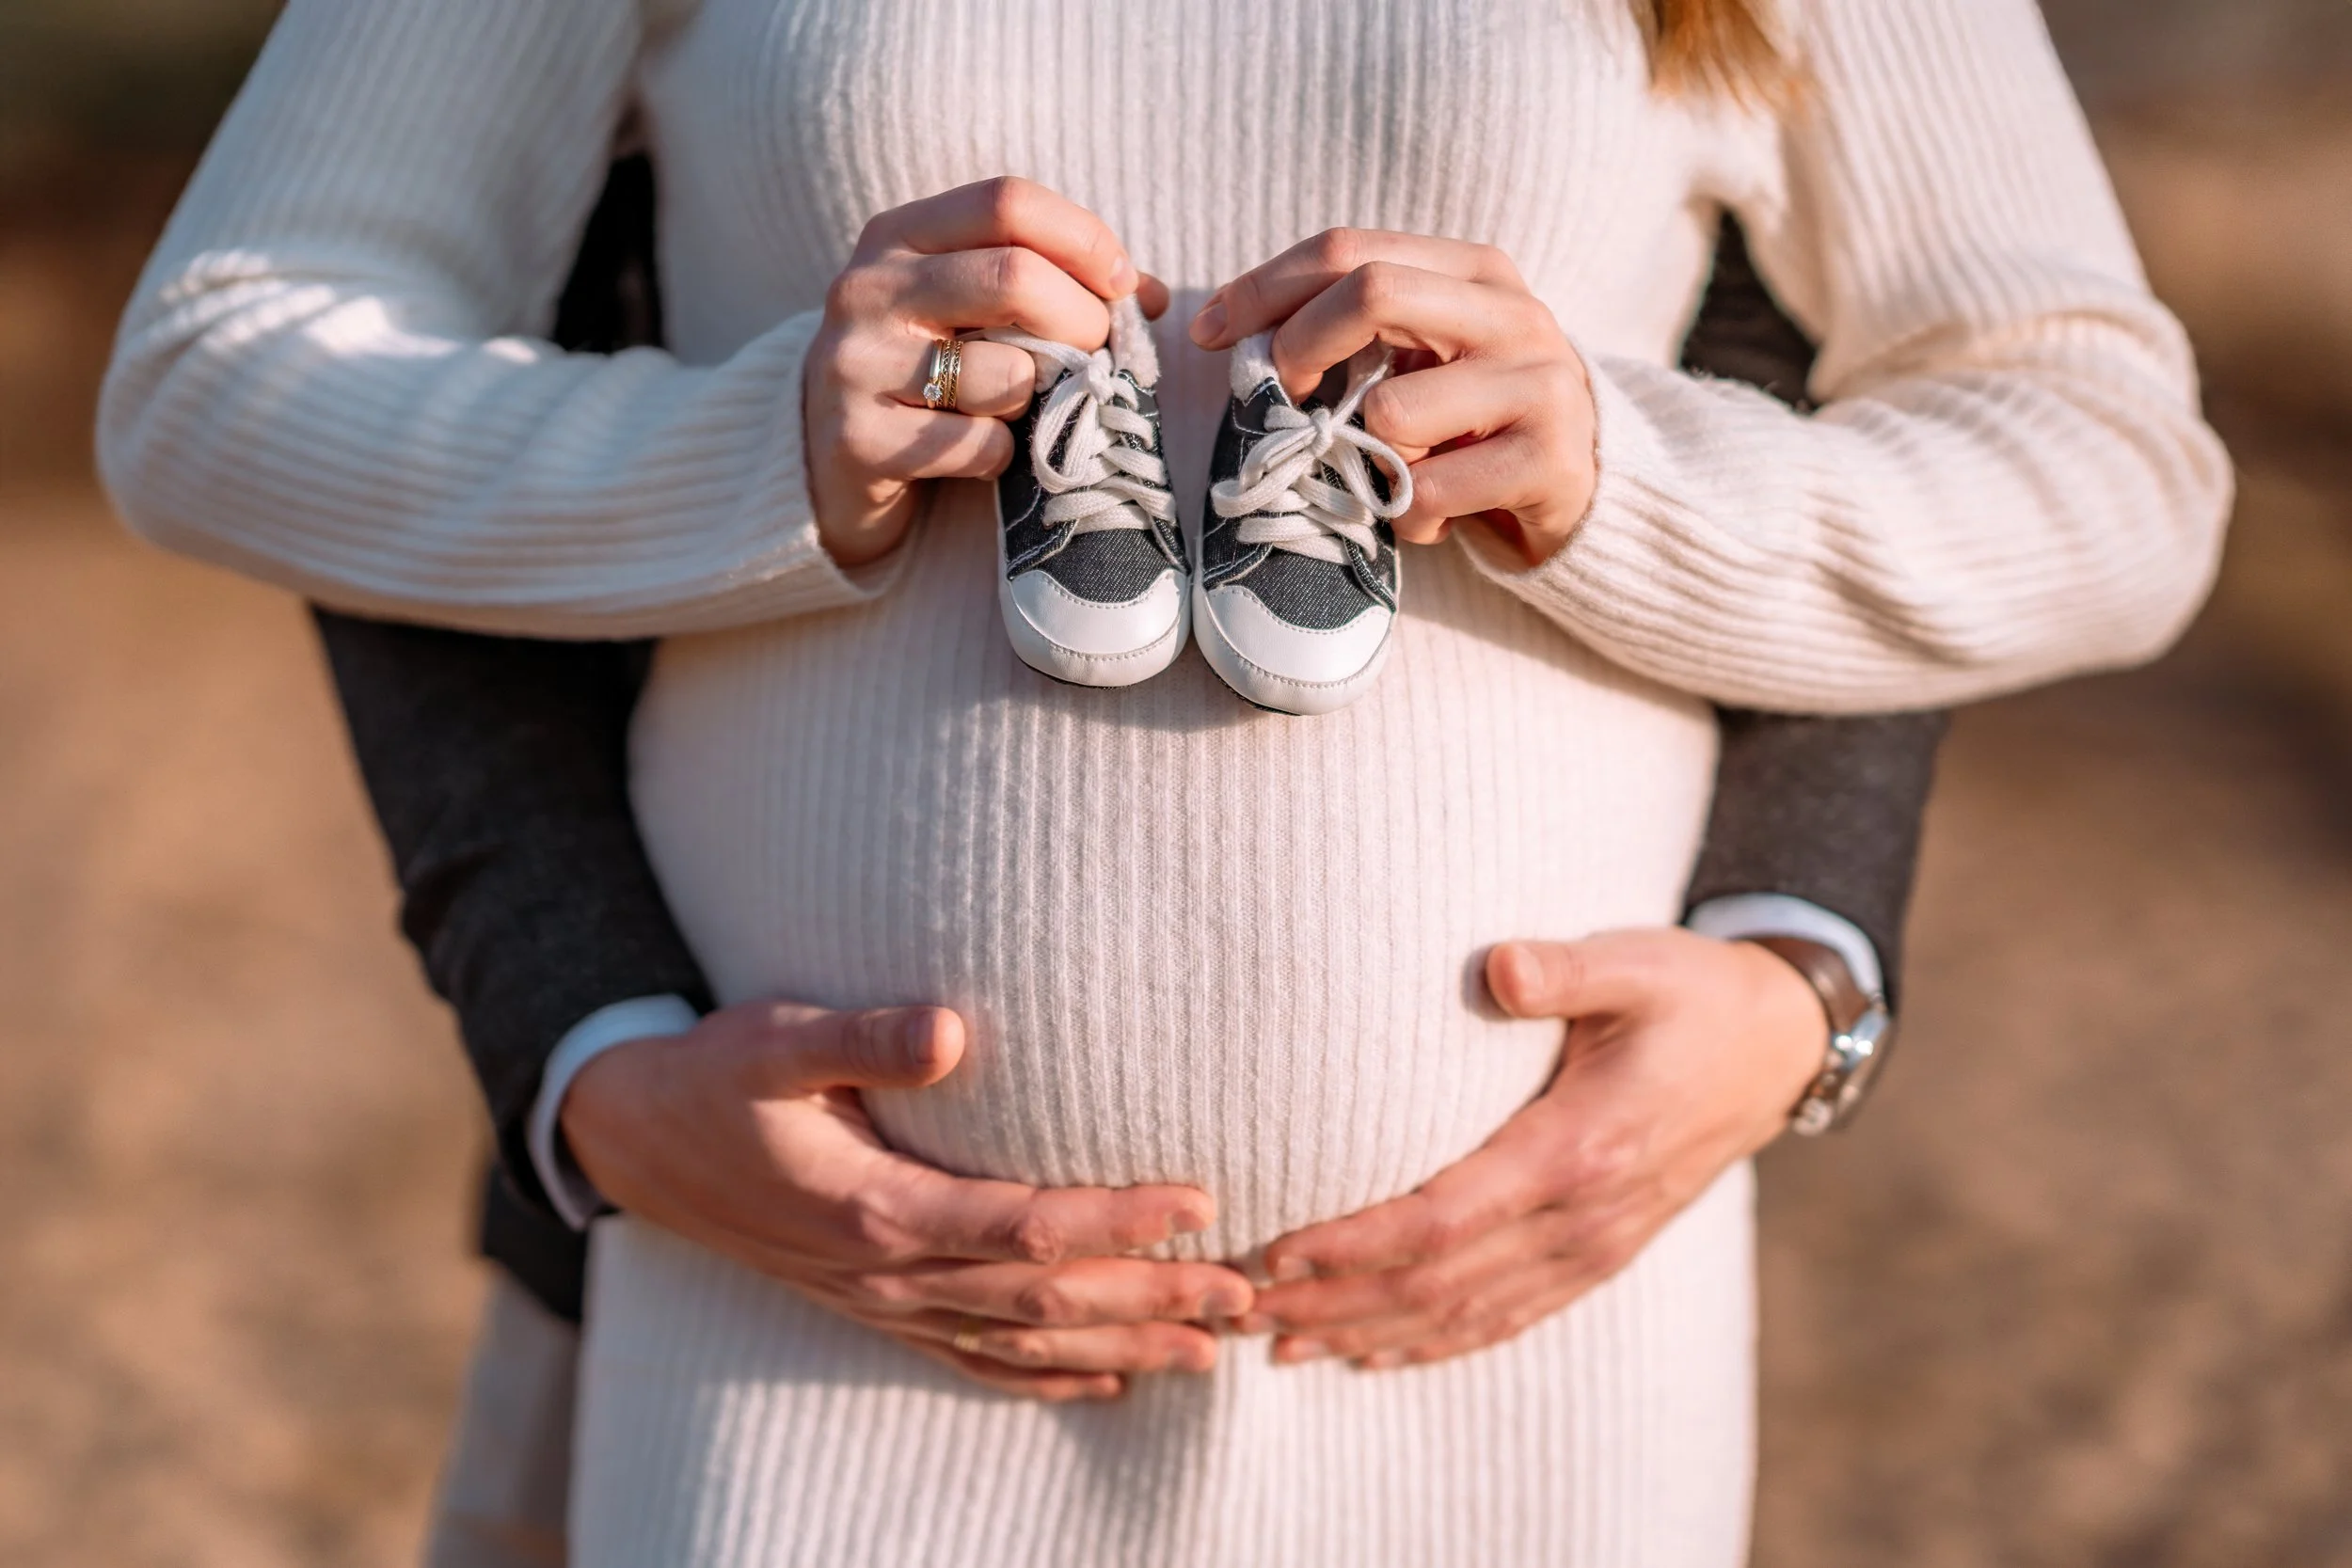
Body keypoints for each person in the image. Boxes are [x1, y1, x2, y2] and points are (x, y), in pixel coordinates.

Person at [99, 1, 2232, 1562]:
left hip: (1520, 1362)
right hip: (815, 1347)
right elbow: (216, 373)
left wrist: (1622, 474)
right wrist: (758, 449)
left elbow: (2109, 470)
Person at [316, 155, 1947, 1566]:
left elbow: (1891, 424)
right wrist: (585, 1048)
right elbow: (347, 407)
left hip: (1533, 1348)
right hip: (759, 1311)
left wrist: (1801, 962)